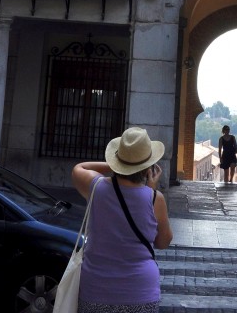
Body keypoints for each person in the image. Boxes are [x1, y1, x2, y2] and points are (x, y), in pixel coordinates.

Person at [71, 126, 173, 313]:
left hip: (95, 290)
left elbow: (80, 168)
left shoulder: (96, 188)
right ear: (147, 167)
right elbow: (163, 241)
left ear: (117, 160)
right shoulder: (154, 198)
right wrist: (151, 187)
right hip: (140, 292)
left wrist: (114, 164)